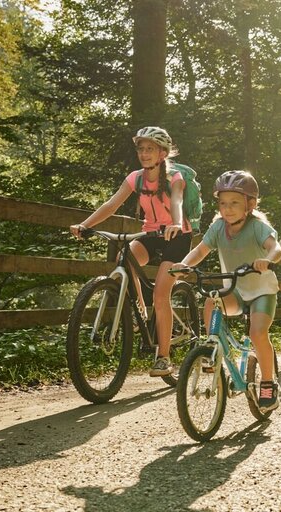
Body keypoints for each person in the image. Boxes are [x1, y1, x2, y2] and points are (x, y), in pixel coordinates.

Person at [70, 126, 193, 377]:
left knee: (161, 294)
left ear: (162, 153)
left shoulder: (174, 177)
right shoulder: (135, 178)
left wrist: (176, 223)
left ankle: (164, 357)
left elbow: (177, 199)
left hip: (177, 235)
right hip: (150, 234)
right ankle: (140, 314)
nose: (144, 154)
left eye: (150, 149)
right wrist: (86, 225)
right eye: (141, 149)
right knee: (123, 259)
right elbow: (112, 204)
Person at [171, 170, 281, 412]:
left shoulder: (258, 227)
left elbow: (276, 248)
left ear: (250, 205)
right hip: (235, 289)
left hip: (262, 291)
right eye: (223, 203)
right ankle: (212, 348)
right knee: (212, 302)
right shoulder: (218, 227)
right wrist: (184, 265)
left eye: (234, 203)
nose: (227, 208)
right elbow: (200, 251)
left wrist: (268, 260)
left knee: (257, 333)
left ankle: (267, 383)